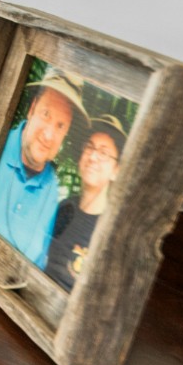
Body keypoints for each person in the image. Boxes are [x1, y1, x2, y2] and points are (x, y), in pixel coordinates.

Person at [0, 73, 83, 268]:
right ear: (31, 109)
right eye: (46, 114)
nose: (49, 135)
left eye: (60, 125)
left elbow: (37, 264)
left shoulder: (52, 189)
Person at [45, 115, 124, 291]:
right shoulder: (65, 207)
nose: (93, 157)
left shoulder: (112, 232)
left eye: (103, 153)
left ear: (116, 171)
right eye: (90, 147)